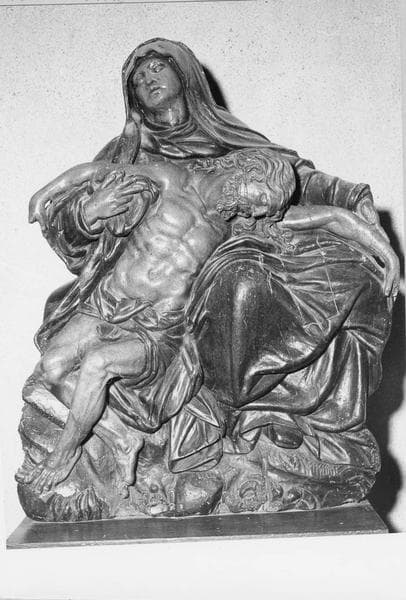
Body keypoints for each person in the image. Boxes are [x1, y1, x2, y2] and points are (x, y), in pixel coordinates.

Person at [16, 39, 399, 519]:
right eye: (138, 77)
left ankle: (254, 416)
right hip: (112, 296)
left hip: (174, 314)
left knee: (245, 284)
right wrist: (89, 212)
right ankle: (112, 439)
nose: (148, 80)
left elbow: (303, 189)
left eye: (158, 68)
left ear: (185, 76)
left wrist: (364, 219)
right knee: (50, 368)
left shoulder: (234, 151)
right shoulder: (133, 156)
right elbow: (82, 202)